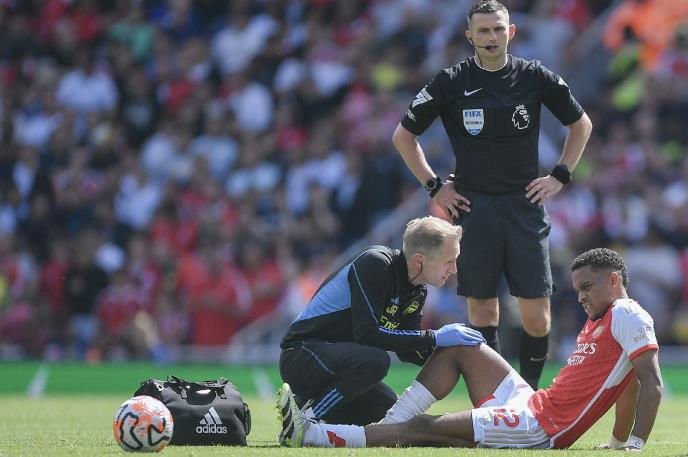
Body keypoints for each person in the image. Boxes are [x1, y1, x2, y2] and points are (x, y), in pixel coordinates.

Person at [391, 0, 594, 389]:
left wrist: (560, 175)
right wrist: (435, 186)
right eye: (483, 30)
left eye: (498, 29)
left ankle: (529, 396)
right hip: (473, 207)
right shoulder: (451, 81)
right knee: (483, 311)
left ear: (510, 32)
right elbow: (403, 136)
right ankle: (497, 398)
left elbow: (580, 124)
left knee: (538, 316)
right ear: (469, 36)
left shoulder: (534, 76)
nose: (491, 37)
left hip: (525, 205)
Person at [278, 248, 663, 450]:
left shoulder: (628, 314)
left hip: (540, 427)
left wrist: (633, 446)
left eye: (587, 287)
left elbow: (650, 383)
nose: (580, 297)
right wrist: (616, 443)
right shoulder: (601, 320)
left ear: (614, 281)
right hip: (532, 403)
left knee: (421, 428)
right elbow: (625, 385)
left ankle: (313, 436)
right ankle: (387, 427)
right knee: (461, 345)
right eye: (577, 289)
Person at [278, 216, 485, 426]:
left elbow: (408, 351)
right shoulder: (375, 264)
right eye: (449, 261)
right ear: (419, 260)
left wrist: (454, 355)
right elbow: (367, 334)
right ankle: (306, 421)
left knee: (392, 417)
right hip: (301, 356)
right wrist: (435, 337)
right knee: (376, 361)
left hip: (336, 365)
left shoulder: (417, 290)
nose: (454, 269)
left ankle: (307, 403)